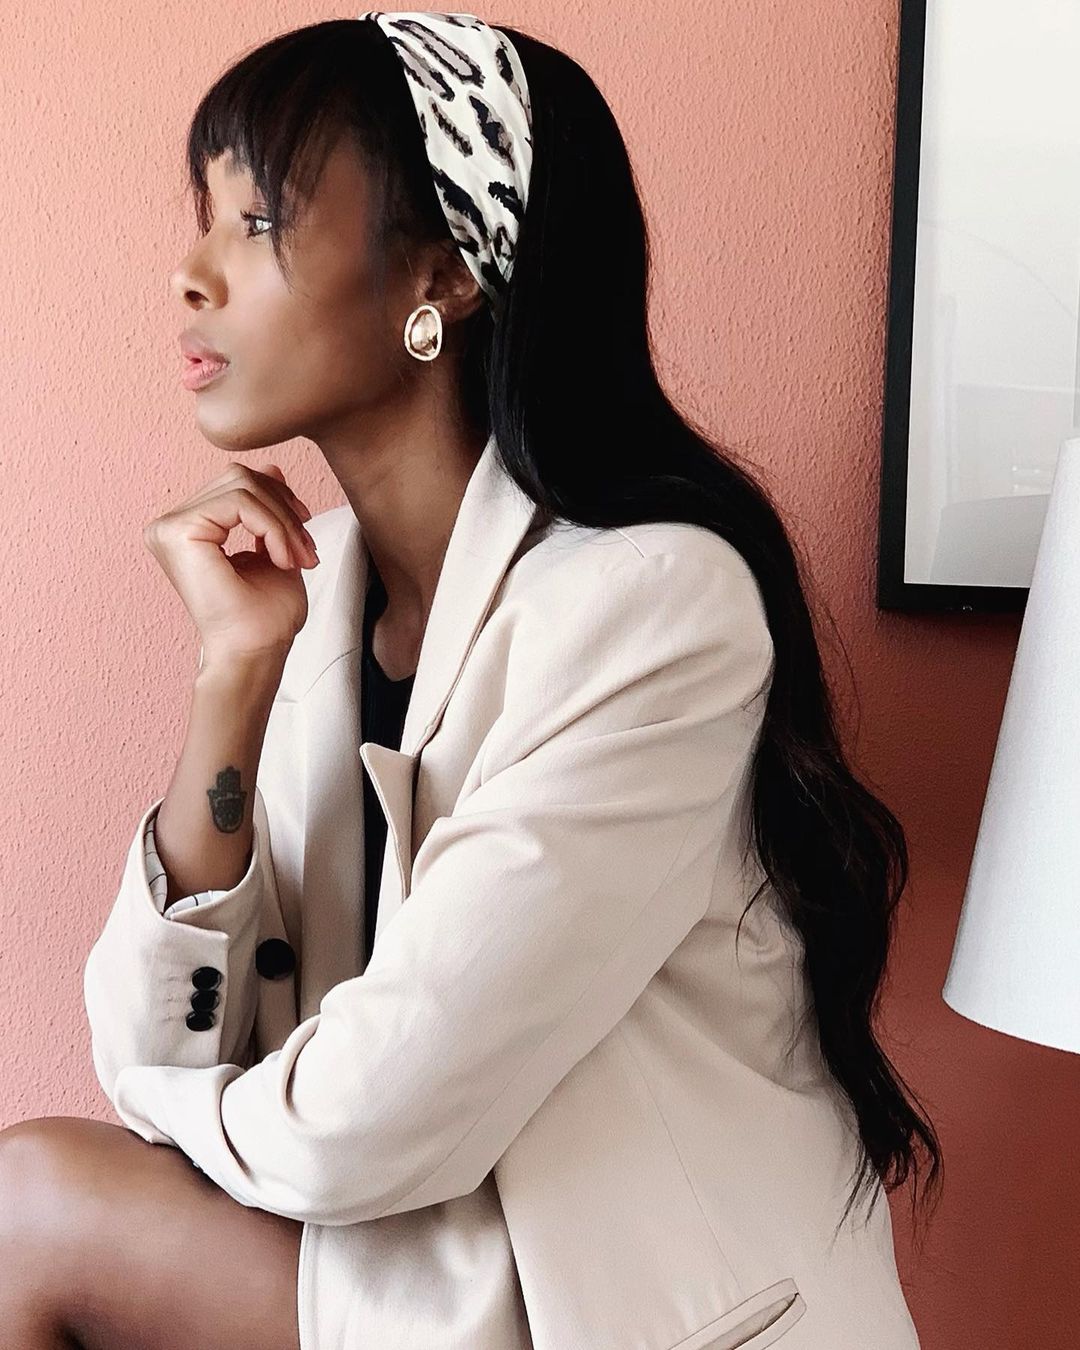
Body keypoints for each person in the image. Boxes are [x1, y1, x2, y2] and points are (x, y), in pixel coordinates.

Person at [1, 12, 940, 1348]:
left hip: (599, 1312)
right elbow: (158, 1034)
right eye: (202, 220)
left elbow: (362, 1124)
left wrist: (167, 1118)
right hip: (418, 1271)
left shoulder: (653, 604)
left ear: (442, 272)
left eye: (257, 222)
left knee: (28, 1206)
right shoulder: (319, 585)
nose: (190, 275)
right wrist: (233, 674)